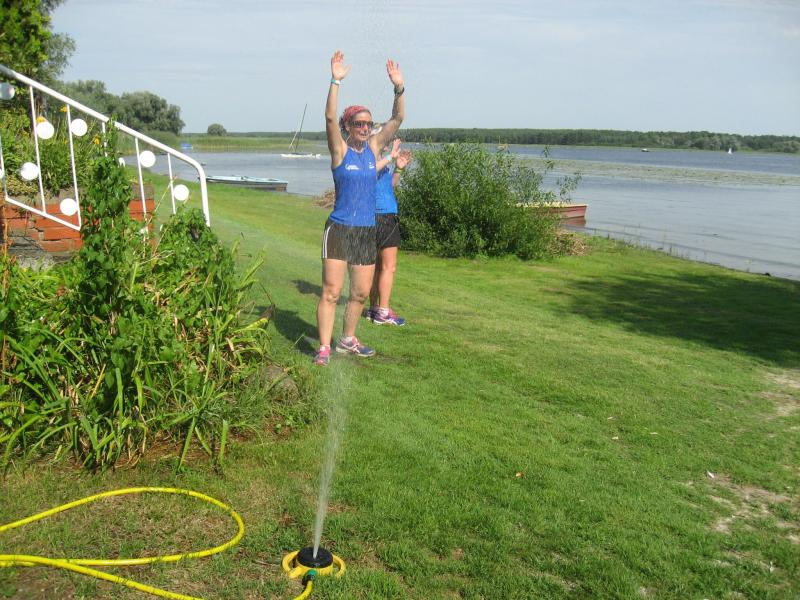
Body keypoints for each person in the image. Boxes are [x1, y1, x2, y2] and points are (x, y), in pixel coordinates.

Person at [314, 50, 405, 366]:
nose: (365, 128)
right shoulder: (340, 150)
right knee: (331, 291)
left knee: (360, 293)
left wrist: (398, 88)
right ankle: (323, 347)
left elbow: (397, 119)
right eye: (359, 124)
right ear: (348, 126)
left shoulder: (373, 148)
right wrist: (335, 80)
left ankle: (347, 339)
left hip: (366, 230)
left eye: (368, 124)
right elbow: (329, 118)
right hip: (339, 228)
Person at [366, 141, 413, 326]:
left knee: (377, 267)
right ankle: (383, 312)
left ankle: (374, 308)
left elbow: (389, 185)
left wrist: (398, 168)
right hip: (384, 216)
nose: (387, 142)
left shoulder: (377, 161)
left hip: (375, 218)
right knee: (388, 267)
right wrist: (390, 157)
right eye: (384, 139)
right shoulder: (371, 160)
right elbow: (371, 172)